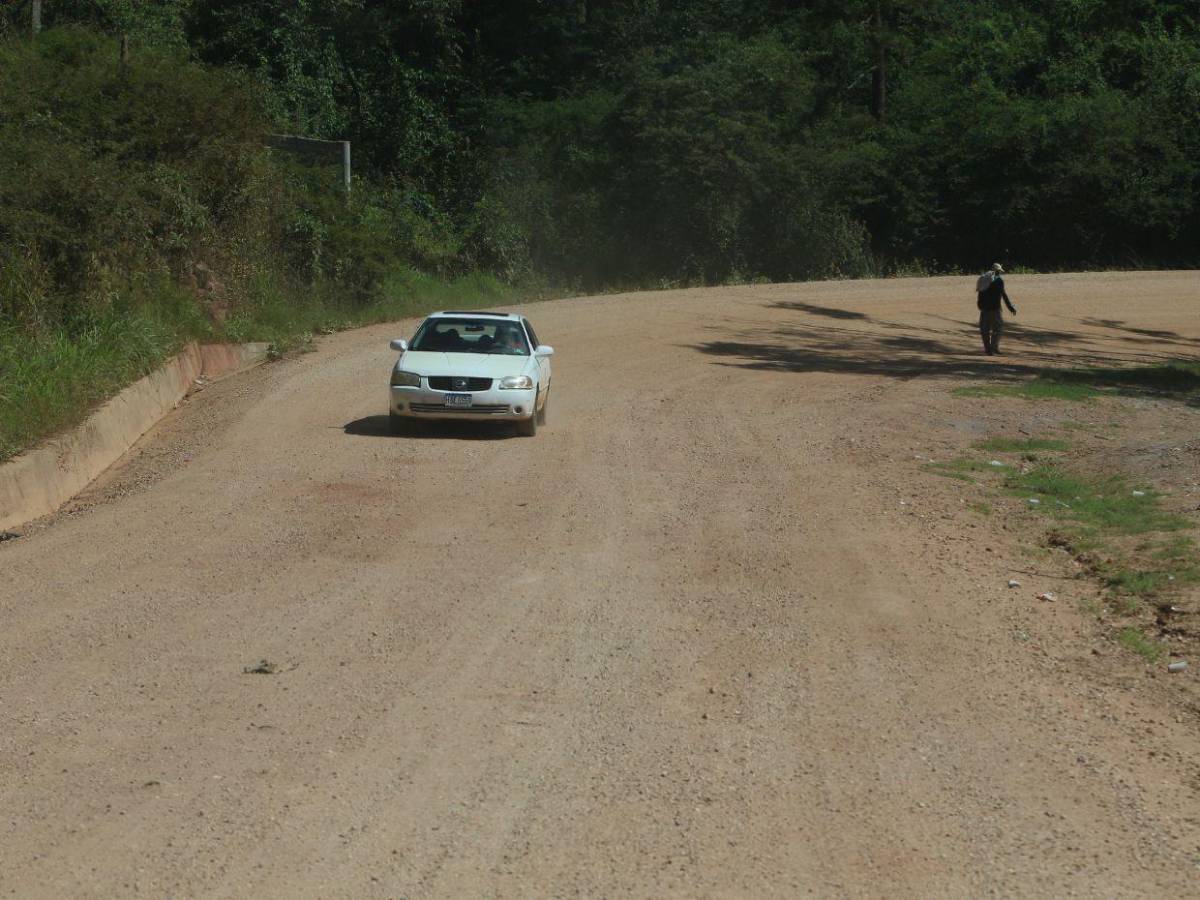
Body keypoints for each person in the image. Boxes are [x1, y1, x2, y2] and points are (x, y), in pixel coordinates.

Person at [977, 262, 1017, 355]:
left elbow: (980, 294)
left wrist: (980, 305)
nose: (1000, 273)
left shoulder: (984, 279)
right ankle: (994, 348)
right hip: (995, 309)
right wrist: (1010, 307)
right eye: (1000, 271)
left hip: (984, 309)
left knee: (984, 330)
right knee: (998, 329)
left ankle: (988, 350)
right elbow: (1004, 295)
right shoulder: (999, 281)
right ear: (998, 271)